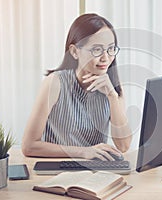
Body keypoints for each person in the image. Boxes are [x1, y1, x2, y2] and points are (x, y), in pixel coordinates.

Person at [22, 13, 132, 161]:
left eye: (111, 49)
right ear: (74, 51)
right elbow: (29, 146)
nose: (106, 58)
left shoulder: (112, 87)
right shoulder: (55, 82)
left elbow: (124, 146)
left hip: (94, 173)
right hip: (57, 169)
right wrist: (83, 152)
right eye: (97, 50)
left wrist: (112, 96)